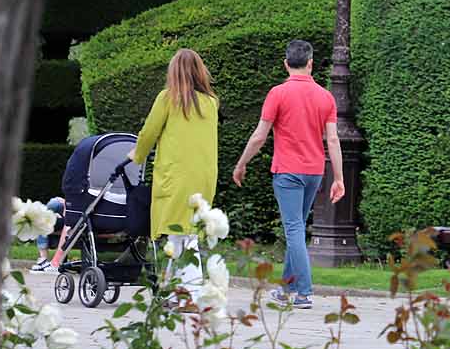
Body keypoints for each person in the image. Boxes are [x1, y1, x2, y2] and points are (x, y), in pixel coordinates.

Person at [231, 40, 345, 310]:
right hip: (314, 172)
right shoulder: (326, 97)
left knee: (293, 229)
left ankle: (304, 292)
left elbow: (260, 136)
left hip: (288, 172)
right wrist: (338, 178)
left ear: (285, 64)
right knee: (297, 228)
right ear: (311, 63)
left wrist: (241, 163)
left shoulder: (277, 93)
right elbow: (333, 140)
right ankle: (285, 289)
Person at [131, 49, 220, 288]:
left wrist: (137, 155)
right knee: (183, 233)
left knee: (181, 232)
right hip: (204, 176)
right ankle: (173, 288)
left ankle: (189, 291)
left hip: (177, 176)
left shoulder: (168, 99)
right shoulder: (211, 103)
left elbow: (149, 132)